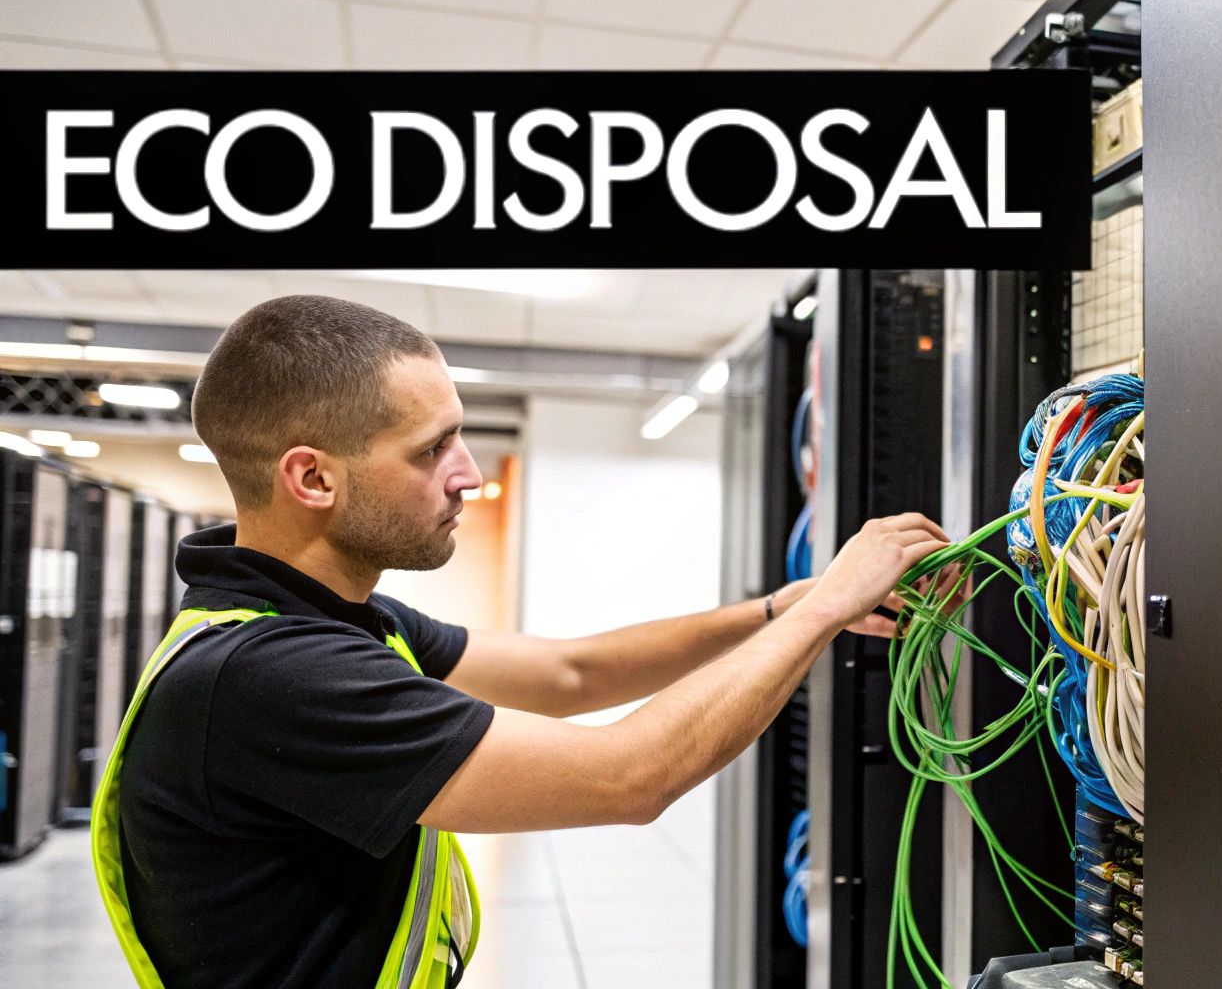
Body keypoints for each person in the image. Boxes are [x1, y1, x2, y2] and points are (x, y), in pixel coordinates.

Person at [92, 294, 950, 989]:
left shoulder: (330, 623)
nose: (467, 473)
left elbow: (569, 673)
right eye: (433, 450)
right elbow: (629, 775)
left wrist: (775, 610)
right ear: (311, 476)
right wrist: (824, 609)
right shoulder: (271, 676)